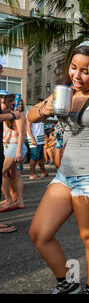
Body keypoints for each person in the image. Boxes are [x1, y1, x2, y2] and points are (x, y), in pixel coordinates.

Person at [27, 40, 89, 294]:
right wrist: (44, 108)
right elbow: (30, 116)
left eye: (84, 70)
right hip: (65, 174)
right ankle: (68, 283)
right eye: (74, 67)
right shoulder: (64, 93)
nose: (77, 75)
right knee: (39, 233)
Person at [1, 94, 27, 212]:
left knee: (3, 173)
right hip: (10, 147)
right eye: (17, 103)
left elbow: (21, 134)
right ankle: (18, 201)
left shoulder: (20, 115)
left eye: (21, 103)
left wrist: (18, 152)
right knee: (13, 175)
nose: (19, 105)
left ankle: (9, 200)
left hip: (15, 147)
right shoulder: (9, 115)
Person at [0, 89, 21, 232]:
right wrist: (13, 114)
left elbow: (19, 131)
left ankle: (13, 200)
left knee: (11, 175)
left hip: (9, 148)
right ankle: (10, 200)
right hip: (9, 147)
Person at [26, 99, 49, 180]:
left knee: (40, 157)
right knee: (34, 157)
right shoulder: (30, 112)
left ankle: (44, 172)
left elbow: (40, 126)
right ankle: (32, 174)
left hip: (40, 139)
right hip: (34, 139)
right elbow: (28, 127)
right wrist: (32, 139)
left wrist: (44, 135)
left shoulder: (40, 113)